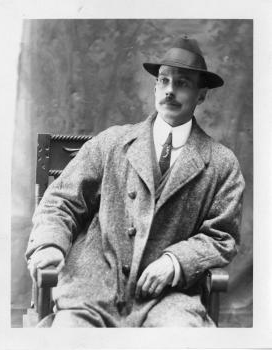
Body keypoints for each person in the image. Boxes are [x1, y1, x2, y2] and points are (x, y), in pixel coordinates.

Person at [26, 36, 245, 327]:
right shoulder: (112, 142)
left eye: (182, 83)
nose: (169, 91)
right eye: (164, 81)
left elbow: (222, 236)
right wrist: (49, 245)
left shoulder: (221, 163)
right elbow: (61, 201)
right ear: (155, 86)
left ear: (201, 94)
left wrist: (175, 262)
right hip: (92, 289)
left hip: (167, 298)